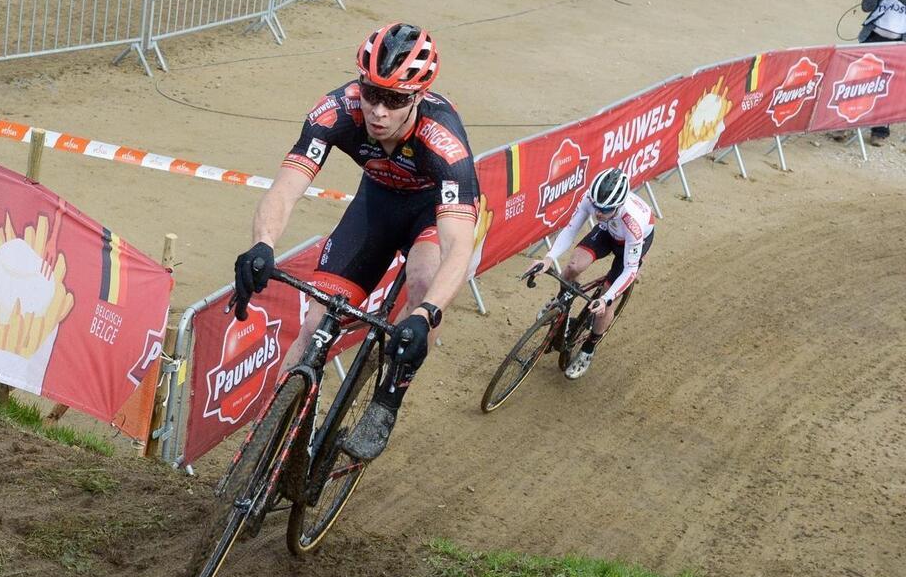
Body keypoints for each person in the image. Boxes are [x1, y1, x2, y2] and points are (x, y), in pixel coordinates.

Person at [232, 23, 479, 461]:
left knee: (423, 283)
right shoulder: (337, 111)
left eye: (396, 99)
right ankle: (263, 445)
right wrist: (262, 244)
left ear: (418, 97)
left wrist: (425, 315)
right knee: (313, 326)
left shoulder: (444, 142)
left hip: (429, 215)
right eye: (372, 93)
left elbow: (458, 246)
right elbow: (286, 187)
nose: (379, 111)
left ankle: (387, 400)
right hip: (377, 205)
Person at [529, 168, 654, 380]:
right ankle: (562, 302)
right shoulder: (593, 199)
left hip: (630, 244)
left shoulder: (633, 224)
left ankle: (588, 348)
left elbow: (630, 269)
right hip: (608, 231)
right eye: (596, 207)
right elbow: (571, 228)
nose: (598, 213)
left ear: (618, 205)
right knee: (572, 267)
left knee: (606, 302)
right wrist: (548, 258)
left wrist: (606, 299)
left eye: (604, 209)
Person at [859, 0, 906, 145]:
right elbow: (866, 7)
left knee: (887, 88)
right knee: (861, 82)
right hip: (873, 37)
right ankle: (845, 124)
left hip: (897, 45)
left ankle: (880, 130)